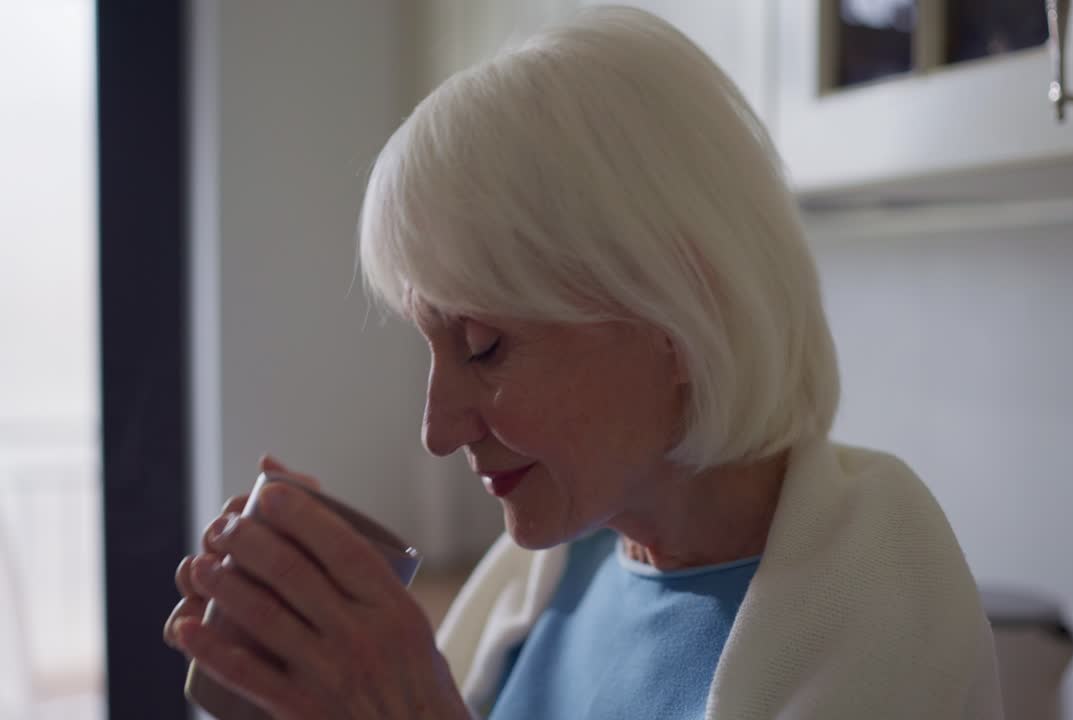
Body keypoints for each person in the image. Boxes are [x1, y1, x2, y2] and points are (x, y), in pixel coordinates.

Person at [164, 7, 1002, 719]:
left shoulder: (876, 580)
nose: (436, 429)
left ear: (676, 314)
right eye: (430, 348)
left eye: (485, 347)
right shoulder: (560, 563)